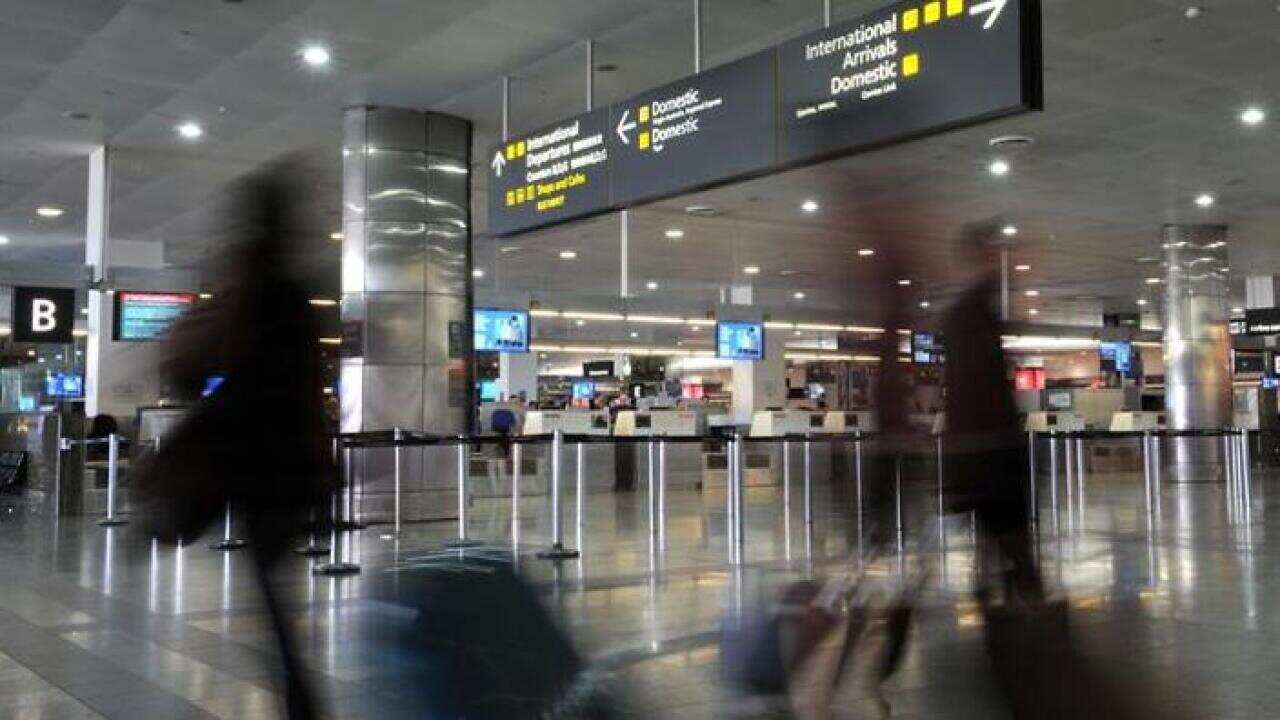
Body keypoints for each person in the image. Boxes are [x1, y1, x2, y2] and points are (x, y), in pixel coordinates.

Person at [141, 160, 336, 718]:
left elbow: (196, 371)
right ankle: (301, 699)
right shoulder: (294, 293)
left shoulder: (248, 289)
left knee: (275, 599)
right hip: (291, 469)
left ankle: (301, 700)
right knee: (277, 597)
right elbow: (300, 392)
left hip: (256, 467)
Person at [940, 222, 1043, 603]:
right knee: (1012, 542)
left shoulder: (969, 312)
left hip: (981, 455)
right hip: (992, 455)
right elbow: (981, 392)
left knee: (997, 541)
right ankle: (1025, 616)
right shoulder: (972, 313)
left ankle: (999, 600)